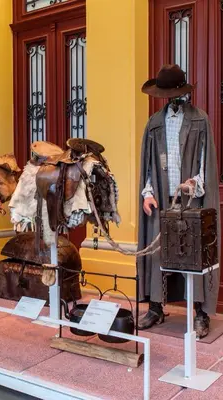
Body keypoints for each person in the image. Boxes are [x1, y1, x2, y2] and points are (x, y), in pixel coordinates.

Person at [137, 64, 220, 339]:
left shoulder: (199, 120)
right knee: (158, 251)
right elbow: (148, 166)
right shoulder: (154, 123)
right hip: (161, 201)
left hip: (191, 202)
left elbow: (206, 162)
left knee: (193, 253)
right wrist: (148, 193)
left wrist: (194, 183)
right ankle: (156, 307)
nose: (170, 99)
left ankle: (200, 312)